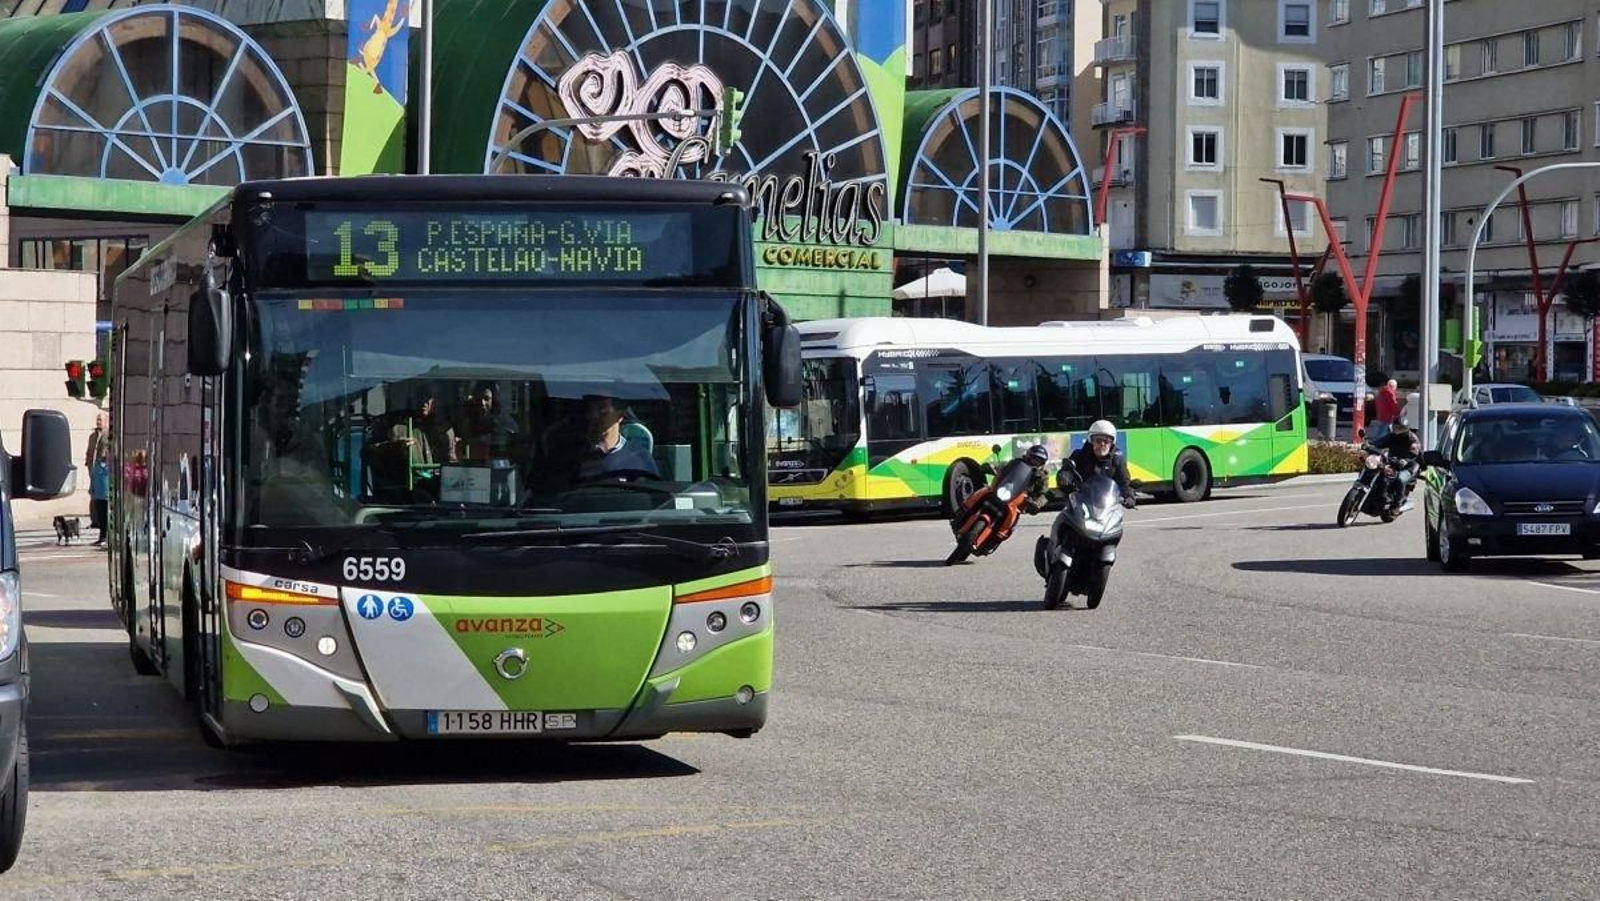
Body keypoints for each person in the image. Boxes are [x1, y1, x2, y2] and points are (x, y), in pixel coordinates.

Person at [571, 394, 660, 481]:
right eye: (590, 410)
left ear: (620, 415)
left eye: (602, 410)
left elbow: (650, 492)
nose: (594, 416)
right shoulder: (574, 455)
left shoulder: (639, 457)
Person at [1063, 420, 1136, 508]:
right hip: (1082, 505)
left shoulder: (1117, 460)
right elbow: (1067, 471)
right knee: (1065, 517)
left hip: (1107, 507)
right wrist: (1065, 476)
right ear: (1091, 441)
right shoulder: (1079, 455)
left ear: (1111, 443)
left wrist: (1129, 497)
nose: (1102, 444)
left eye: (1106, 441)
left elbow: (1124, 483)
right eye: (1098, 440)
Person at [1367, 419, 1422, 513]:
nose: (1397, 430)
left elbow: (1414, 454)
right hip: (1393, 461)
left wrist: (1405, 460)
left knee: (1400, 479)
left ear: (1405, 429)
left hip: (1409, 466)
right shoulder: (1392, 436)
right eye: (1395, 427)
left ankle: (1397, 505)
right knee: (1379, 472)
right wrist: (1369, 444)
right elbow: (1379, 442)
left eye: (1399, 428)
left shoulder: (1412, 439)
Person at [86, 411, 110, 546]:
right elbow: (90, 454)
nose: (98, 422)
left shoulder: (109, 436)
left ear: (107, 421)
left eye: (101, 419)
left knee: (105, 504)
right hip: (95, 472)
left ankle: (106, 534)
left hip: (105, 473)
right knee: (97, 503)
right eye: (97, 419)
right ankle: (101, 533)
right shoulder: (93, 436)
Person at [1369, 379, 1402, 443]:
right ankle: (1376, 442)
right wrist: (1398, 413)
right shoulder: (1390, 393)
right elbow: (1394, 404)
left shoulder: (1382, 392)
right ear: (1393, 386)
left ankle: (1380, 441)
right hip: (1388, 415)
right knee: (1383, 431)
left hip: (1381, 414)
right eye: (1395, 387)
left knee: (1383, 429)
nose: (1395, 389)